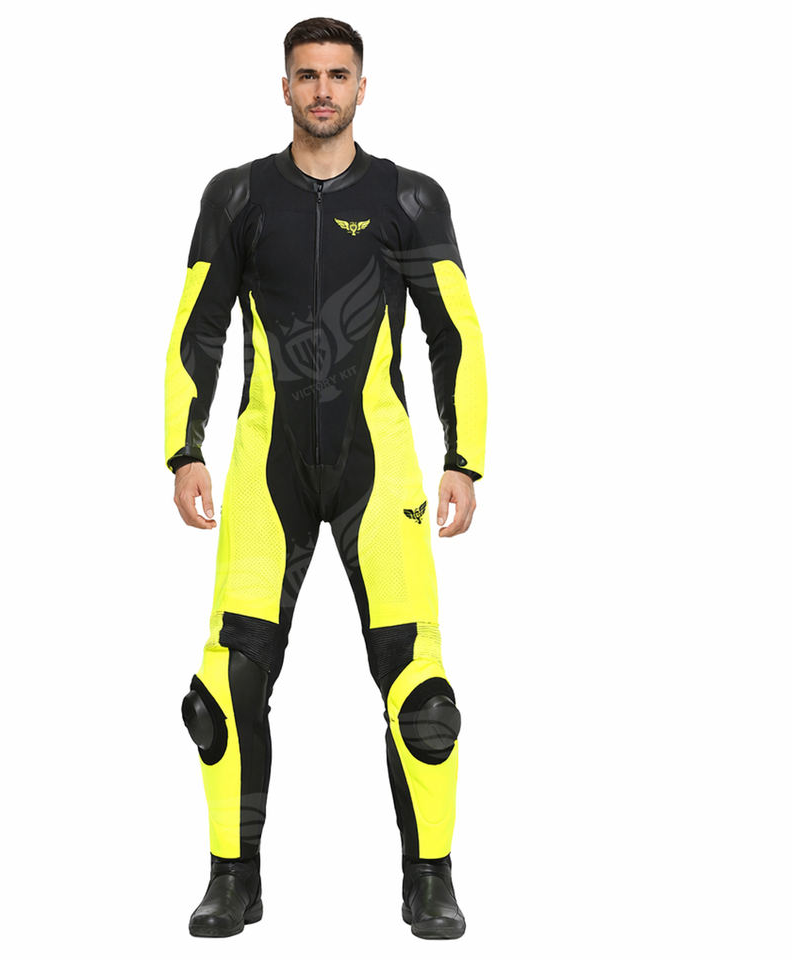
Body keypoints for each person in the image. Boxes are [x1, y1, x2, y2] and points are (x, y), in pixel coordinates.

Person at [166, 17, 487, 940]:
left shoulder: (409, 199)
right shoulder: (237, 196)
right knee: (224, 687)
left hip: (377, 467)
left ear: (361, 87)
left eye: (337, 76)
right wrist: (184, 449)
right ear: (284, 86)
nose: (321, 90)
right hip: (264, 467)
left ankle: (430, 880)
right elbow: (198, 325)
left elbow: (454, 331)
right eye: (306, 75)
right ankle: (234, 879)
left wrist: (464, 458)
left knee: (423, 698)